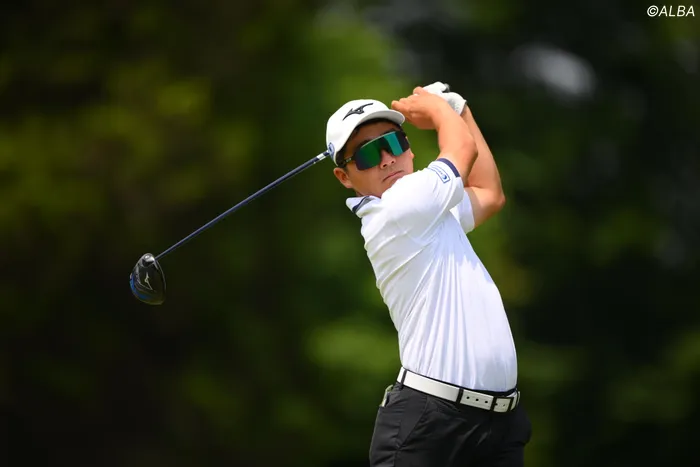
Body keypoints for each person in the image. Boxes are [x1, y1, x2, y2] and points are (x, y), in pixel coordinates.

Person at [324, 83, 532, 467]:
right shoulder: (398, 208)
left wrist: (459, 108)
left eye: (394, 143)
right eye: (367, 154)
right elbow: (462, 149)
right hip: (430, 426)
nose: (386, 159)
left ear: (409, 149)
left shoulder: (428, 211)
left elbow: (488, 193)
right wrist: (440, 110)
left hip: (497, 426)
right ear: (344, 176)